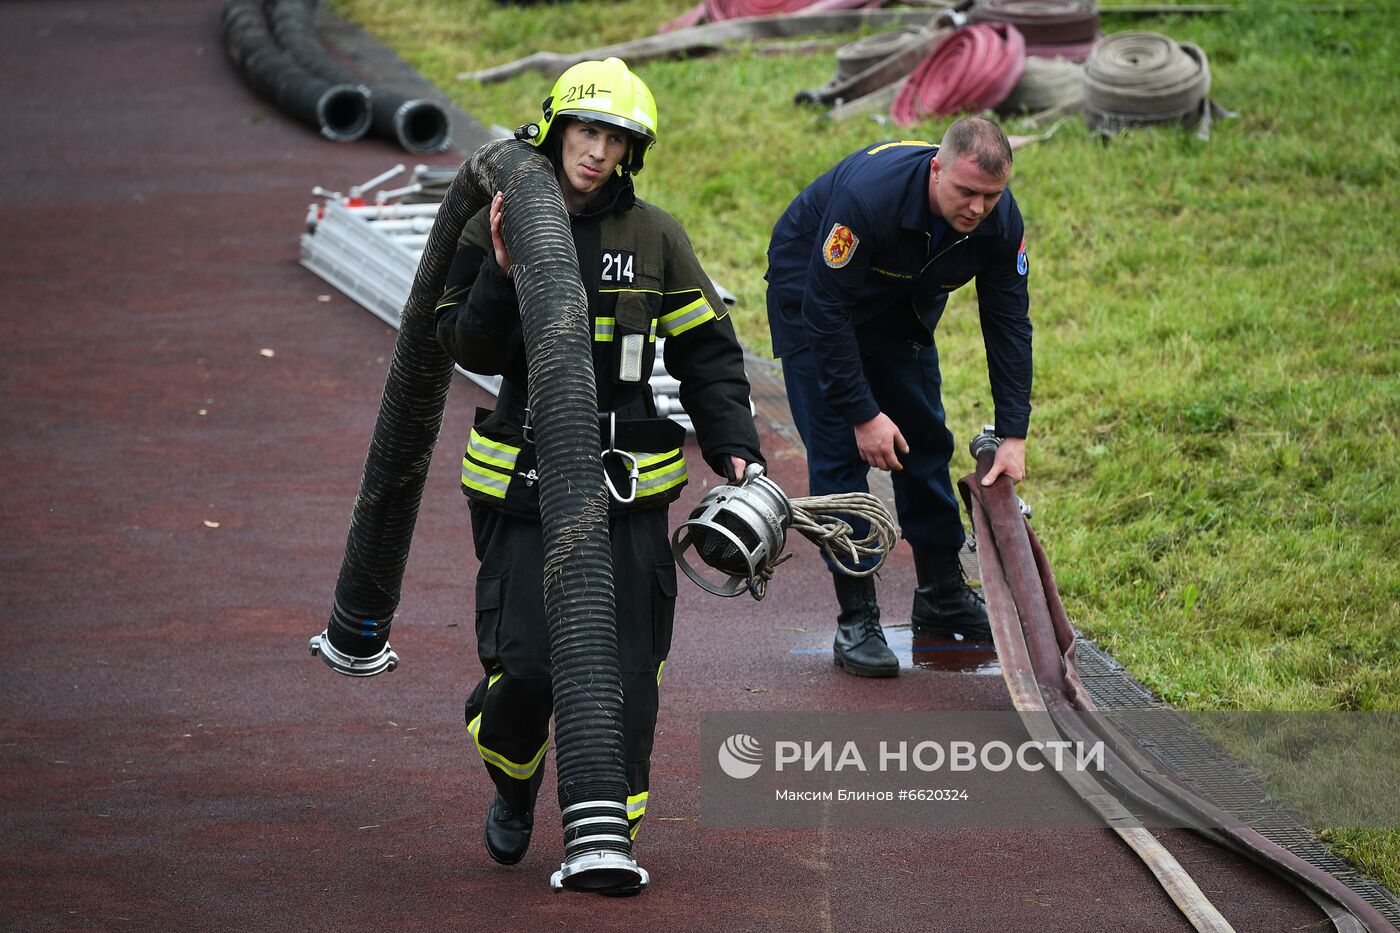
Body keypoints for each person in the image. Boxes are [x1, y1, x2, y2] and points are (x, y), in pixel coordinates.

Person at [435, 57, 762, 867]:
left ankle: (606, 834)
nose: (598, 152)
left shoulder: (655, 237)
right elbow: (461, 343)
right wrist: (504, 275)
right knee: (531, 669)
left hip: (629, 497)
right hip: (527, 486)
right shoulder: (495, 220)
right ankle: (513, 782)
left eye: (617, 140)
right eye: (588, 131)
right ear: (555, 128)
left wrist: (736, 449)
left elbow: (710, 355)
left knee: (629, 677)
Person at [764, 116, 1031, 678]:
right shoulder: (870, 199)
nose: (977, 208)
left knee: (924, 439)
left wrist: (1013, 431)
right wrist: (863, 415)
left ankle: (940, 594)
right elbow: (826, 311)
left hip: (897, 301)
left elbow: (1008, 321)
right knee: (839, 453)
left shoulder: (1001, 221)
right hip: (814, 291)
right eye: (965, 191)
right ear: (937, 169)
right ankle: (856, 618)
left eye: (991, 195)